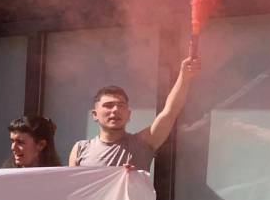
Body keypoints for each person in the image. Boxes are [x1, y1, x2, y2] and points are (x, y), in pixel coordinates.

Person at [69, 57, 201, 168]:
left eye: (121, 106)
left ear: (129, 114)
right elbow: (74, 189)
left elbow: (170, 112)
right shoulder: (81, 148)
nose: (115, 110)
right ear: (94, 114)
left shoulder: (143, 143)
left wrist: (184, 76)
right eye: (108, 106)